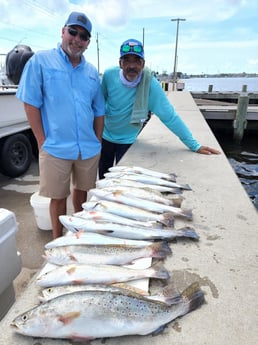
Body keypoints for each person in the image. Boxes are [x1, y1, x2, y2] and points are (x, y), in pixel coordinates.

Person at [16, 12, 105, 238]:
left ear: (88, 42)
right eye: (73, 32)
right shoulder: (40, 61)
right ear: (63, 31)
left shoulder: (92, 72)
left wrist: (97, 139)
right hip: (55, 146)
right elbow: (30, 102)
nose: (77, 39)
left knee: (82, 192)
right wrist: (41, 140)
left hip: (87, 146)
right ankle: (58, 240)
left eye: (83, 36)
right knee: (57, 197)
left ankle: (79, 232)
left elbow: (99, 110)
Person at [99, 38, 220, 179]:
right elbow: (99, 104)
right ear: (120, 63)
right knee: (103, 177)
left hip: (128, 140)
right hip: (105, 136)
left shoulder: (150, 85)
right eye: (126, 60)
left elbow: (169, 117)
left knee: (123, 181)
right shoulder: (108, 75)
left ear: (143, 64)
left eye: (136, 61)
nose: (131, 66)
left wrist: (194, 145)